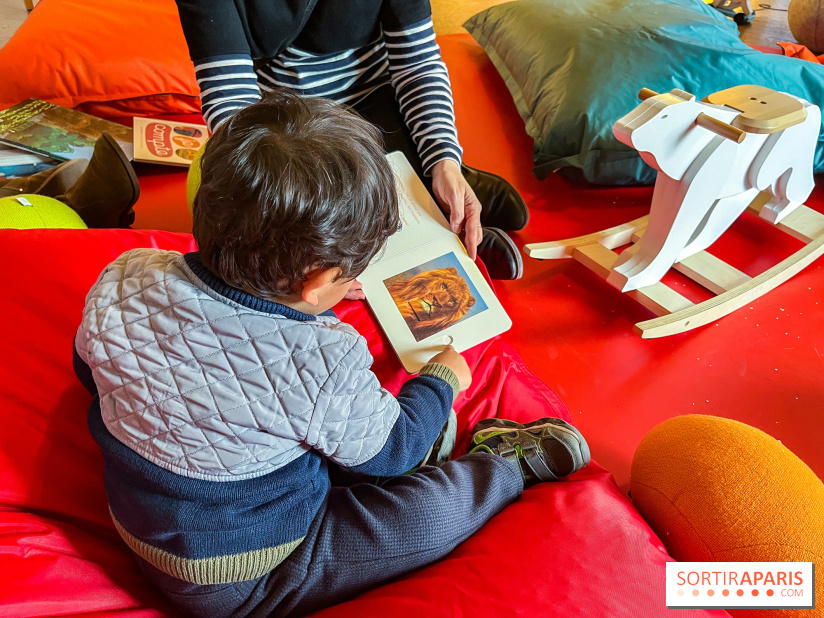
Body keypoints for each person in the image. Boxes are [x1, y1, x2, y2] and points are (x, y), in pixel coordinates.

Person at [73, 92, 589, 617]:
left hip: (144, 520)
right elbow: (398, 449)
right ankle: (502, 469)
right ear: (318, 282)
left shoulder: (126, 272)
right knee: (423, 522)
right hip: (244, 575)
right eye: (348, 273)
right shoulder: (322, 359)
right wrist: (441, 379)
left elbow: (88, 370)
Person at [174, 0, 528, 280]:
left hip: (375, 103)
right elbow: (233, 101)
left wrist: (444, 160)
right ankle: (427, 192)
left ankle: (441, 179)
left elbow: (416, 65)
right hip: (292, 124)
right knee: (313, 216)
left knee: (383, 194)